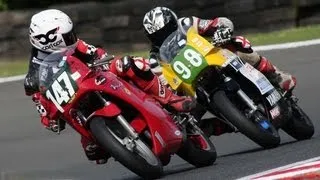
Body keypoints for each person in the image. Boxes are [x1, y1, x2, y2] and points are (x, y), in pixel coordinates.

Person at [24, 9, 195, 165]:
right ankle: (111, 143)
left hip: (97, 78)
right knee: (93, 152)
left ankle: (171, 99)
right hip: (78, 105)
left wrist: (105, 62)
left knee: (131, 64)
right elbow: (40, 100)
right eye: (68, 36)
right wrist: (48, 118)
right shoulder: (34, 73)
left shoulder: (77, 45)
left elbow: (101, 55)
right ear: (50, 40)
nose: (73, 38)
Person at [142, 6, 297, 135]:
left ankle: (276, 76)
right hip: (191, 86)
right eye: (157, 36)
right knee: (188, 126)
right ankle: (225, 125)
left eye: (167, 29)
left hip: (214, 57)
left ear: (174, 22)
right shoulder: (155, 60)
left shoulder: (187, 23)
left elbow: (219, 22)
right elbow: (163, 86)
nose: (164, 36)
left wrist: (221, 30)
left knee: (239, 45)